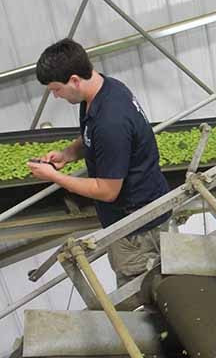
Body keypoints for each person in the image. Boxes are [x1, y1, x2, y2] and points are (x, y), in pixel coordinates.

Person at [28, 38, 171, 286]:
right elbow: (90, 137)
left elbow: (107, 191)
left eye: (56, 89)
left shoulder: (110, 123)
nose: (55, 96)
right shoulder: (105, 89)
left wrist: (55, 177)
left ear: (74, 80)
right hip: (144, 208)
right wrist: (66, 154)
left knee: (145, 291)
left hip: (137, 228)